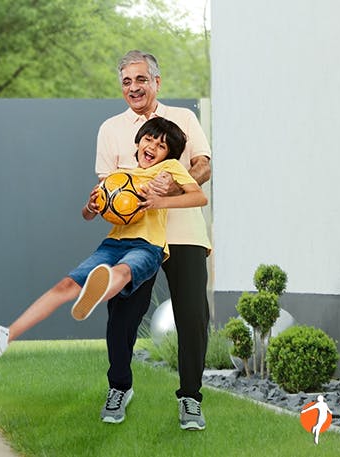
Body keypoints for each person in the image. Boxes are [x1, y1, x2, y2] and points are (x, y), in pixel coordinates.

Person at [0, 117, 207, 377]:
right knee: (64, 286)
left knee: (123, 271)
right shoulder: (119, 177)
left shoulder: (170, 169)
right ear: (139, 141)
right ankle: (5, 336)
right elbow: (87, 215)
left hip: (148, 245)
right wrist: (91, 206)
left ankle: (100, 290)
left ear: (169, 154)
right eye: (149, 139)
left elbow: (199, 196)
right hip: (113, 243)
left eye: (161, 145)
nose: (152, 146)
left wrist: (159, 201)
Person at [96, 50, 212, 430]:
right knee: (123, 312)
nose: (134, 87)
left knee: (193, 315)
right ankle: (119, 387)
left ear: (157, 82)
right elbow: (106, 185)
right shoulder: (110, 128)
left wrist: (173, 181)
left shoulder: (184, 118)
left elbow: (203, 164)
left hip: (183, 231)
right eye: (127, 81)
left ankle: (191, 398)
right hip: (137, 236)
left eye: (141, 80)